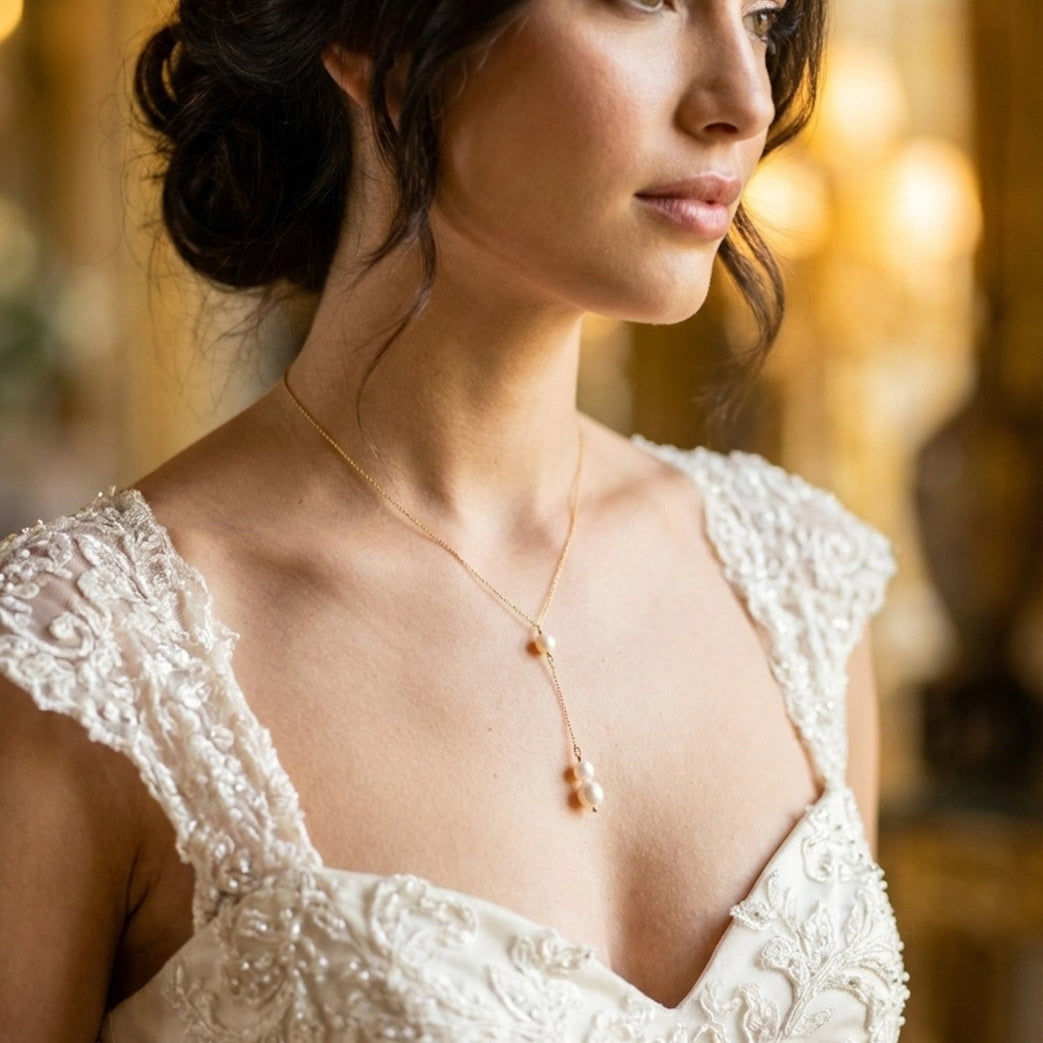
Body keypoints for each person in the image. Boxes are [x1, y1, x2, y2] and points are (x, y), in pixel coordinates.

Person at [0, 0, 911, 1038]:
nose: (742, 100)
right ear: (368, 34)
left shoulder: (798, 590)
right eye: (645, 1)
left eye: (761, 15)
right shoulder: (75, 665)